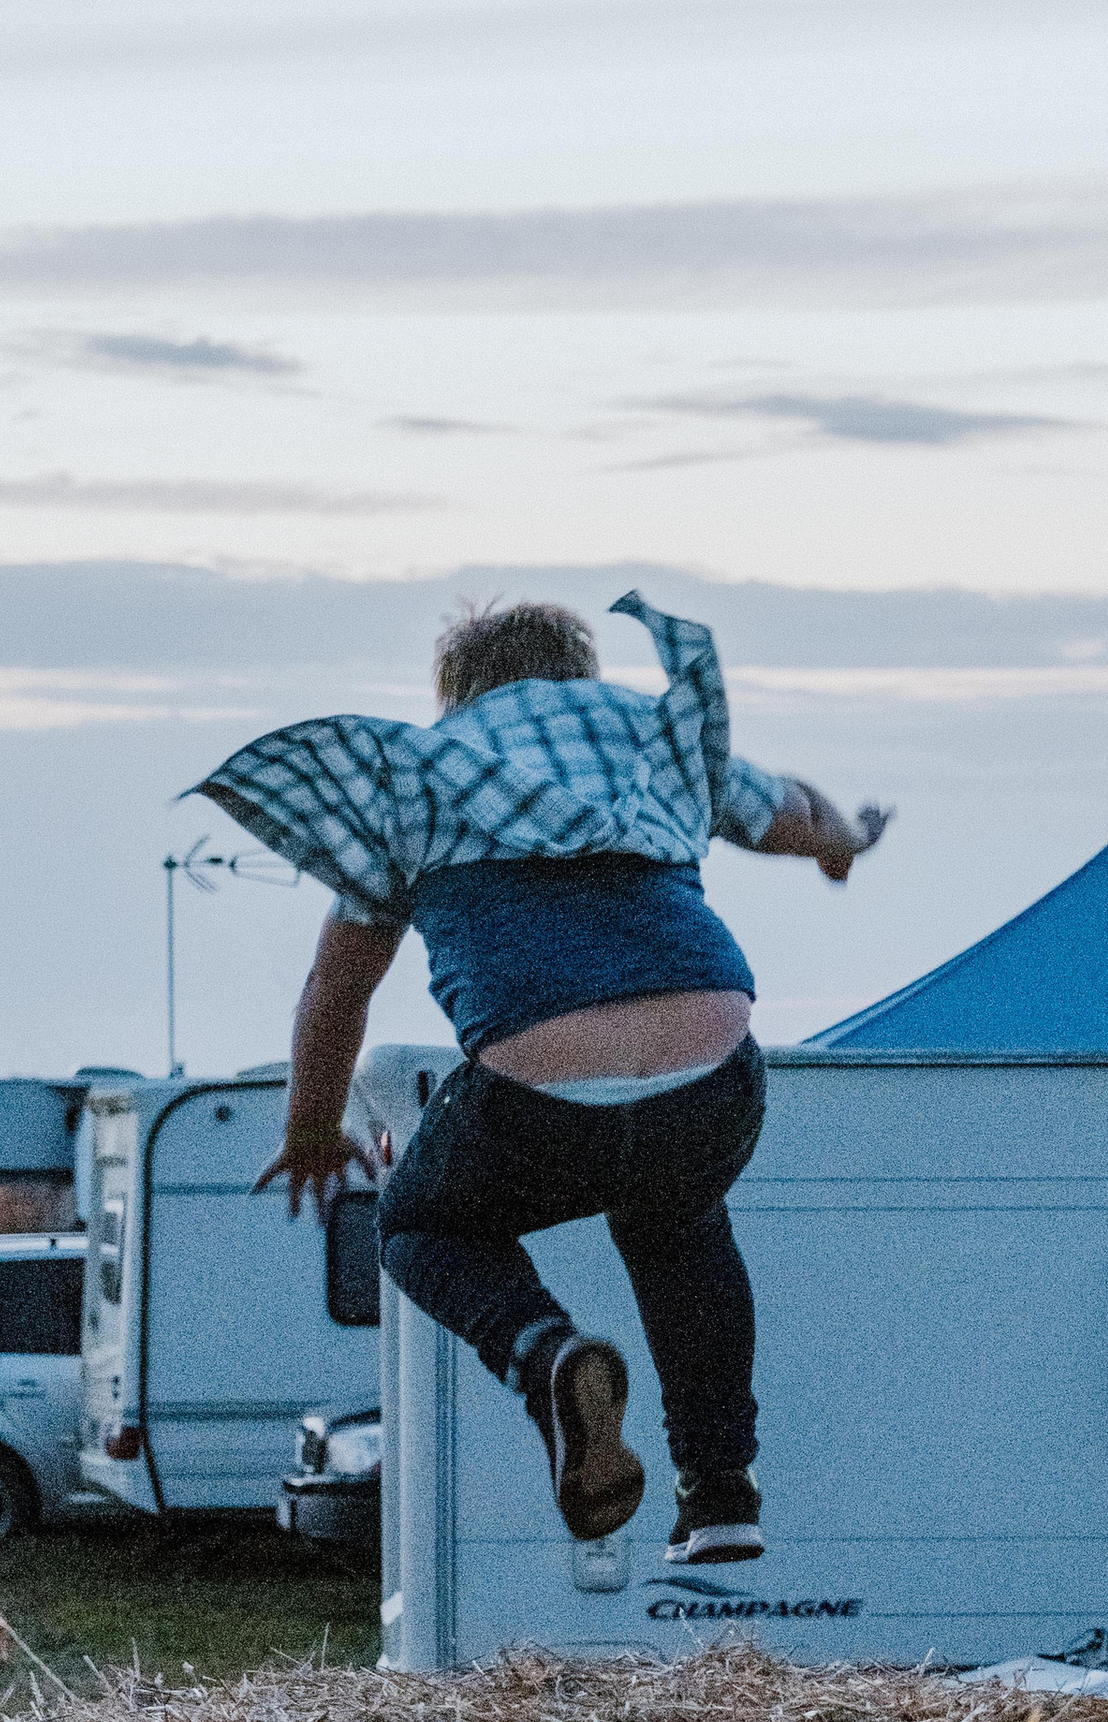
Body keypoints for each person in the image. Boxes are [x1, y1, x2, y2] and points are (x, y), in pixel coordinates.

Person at [191, 590, 887, 1565]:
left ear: (457, 692)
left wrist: (310, 1127)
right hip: (712, 1062)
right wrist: (846, 842)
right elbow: (799, 815)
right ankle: (722, 1493)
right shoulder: (646, 731)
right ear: (577, 672)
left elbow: (335, 987)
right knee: (678, 1216)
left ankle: (548, 1357)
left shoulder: (418, 773)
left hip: (538, 1087)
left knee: (420, 1222)